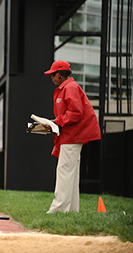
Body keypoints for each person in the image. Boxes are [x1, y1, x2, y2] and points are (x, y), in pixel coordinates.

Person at [44, 60, 101, 213]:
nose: (51, 77)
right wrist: (55, 123)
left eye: (53, 74)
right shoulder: (67, 87)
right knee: (72, 173)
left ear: (61, 75)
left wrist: (57, 122)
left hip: (74, 135)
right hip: (72, 135)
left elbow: (76, 113)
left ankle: (58, 209)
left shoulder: (70, 87)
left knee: (64, 171)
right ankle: (71, 210)